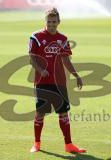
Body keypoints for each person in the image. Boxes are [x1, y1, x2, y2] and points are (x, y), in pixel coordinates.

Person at [28, 8, 86, 153]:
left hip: (59, 83)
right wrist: (41, 70)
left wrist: (76, 75)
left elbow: (66, 60)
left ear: (59, 22)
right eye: (49, 22)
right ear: (45, 21)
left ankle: (68, 145)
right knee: (40, 114)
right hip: (42, 82)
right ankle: (36, 144)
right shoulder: (36, 37)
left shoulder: (63, 39)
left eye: (54, 22)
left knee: (63, 114)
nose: (51, 24)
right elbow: (32, 58)